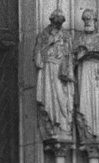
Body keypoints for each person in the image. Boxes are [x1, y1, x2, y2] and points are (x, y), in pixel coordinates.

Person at [34, 9, 75, 142]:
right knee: (48, 99)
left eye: (60, 22)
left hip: (61, 70)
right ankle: (52, 124)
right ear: (51, 21)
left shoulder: (66, 35)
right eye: (55, 22)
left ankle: (63, 126)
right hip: (48, 69)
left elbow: (70, 53)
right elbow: (38, 55)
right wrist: (49, 42)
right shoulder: (43, 34)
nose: (58, 25)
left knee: (62, 98)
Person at [74, 8, 99, 143]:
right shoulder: (79, 38)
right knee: (84, 103)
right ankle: (87, 133)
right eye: (85, 19)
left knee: (98, 103)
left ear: (95, 21)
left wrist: (95, 55)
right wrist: (79, 56)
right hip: (83, 75)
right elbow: (72, 61)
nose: (87, 22)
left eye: (89, 19)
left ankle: (98, 132)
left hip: (98, 75)